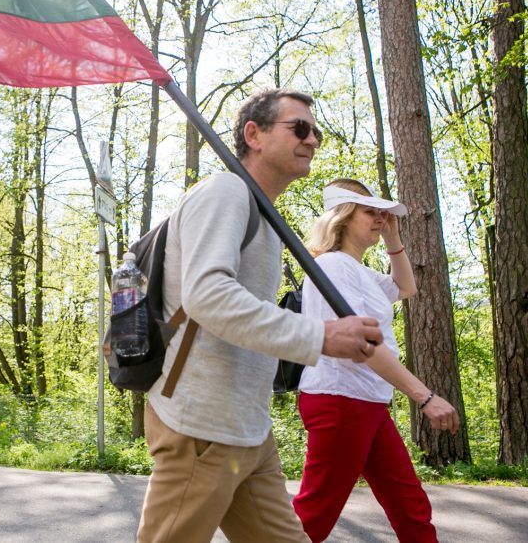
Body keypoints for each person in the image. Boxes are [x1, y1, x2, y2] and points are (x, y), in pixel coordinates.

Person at [137, 89, 385, 543]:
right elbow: (208, 296)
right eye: (300, 128)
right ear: (254, 134)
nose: (313, 140)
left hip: (248, 429)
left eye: (317, 132)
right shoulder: (226, 192)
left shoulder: (262, 213)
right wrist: (320, 336)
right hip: (202, 427)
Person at [292, 178, 460, 543]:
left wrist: (393, 238)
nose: (379, 218)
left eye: (382, 213)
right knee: (313, 518)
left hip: (366, 402)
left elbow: (406, 288)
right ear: (344, 216)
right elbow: (364, 346)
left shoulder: (361, 272)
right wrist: (425, 397)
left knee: (409, 506)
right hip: (340, 401)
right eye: (370, 212)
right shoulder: (335, 266)